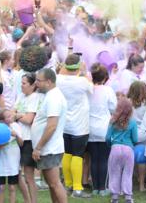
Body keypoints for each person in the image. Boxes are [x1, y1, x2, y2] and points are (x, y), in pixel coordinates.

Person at [57, 54, 93, 198]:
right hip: (80, 126)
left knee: (67, 154)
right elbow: (92, 88)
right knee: (77, 156)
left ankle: (68, 185)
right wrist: (84, 71)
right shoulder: (82, 81)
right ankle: (77, 189)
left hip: (65, 125)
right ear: (78, 66)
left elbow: (60, 72)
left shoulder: (59, 79)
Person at [30, 68, 68, 203]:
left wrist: (39, 147)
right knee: (52, 185)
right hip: (48, 147)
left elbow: (52, 126)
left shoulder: (54, 98)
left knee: (55, 184)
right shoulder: (51, 96)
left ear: (49, 81)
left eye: (39, 81)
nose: (36, 83)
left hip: (50, 148)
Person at [88, 63, 116, 196]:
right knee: (104, 159)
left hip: (90, 128)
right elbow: (114, 108)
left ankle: (95, 188)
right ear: (105, 77)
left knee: (94, 158)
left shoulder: (88, 89)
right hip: (104, 128)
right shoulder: (108, 90)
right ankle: (103, 188)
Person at [14, 72, 42, 203]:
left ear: (32, 85)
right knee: (18, 175)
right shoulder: (20, 96)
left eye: (24, 83)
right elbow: (12, 113)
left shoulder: (35, 97)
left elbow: (29, 119)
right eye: (21, 82)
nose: (21, 85)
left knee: (29, 176)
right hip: (18, 139)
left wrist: (18, 115)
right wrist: (19, 115)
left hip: (29, 140)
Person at [105, 97, 137, 203]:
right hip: (128, 149)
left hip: (115, 148)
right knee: (128, 173)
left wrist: (111, 145)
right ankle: (128, 197)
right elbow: (135, 139)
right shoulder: (132, 122)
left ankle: (115, 197)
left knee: (114, 172)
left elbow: (107, 137)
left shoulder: (113, 120)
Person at [0, 108, 23, 203]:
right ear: (2, 120)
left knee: (12, 187)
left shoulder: (16, 126)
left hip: (13, 162)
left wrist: (16, 135)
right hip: (1, 163)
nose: (12, 117)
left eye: (11, 115)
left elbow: (21, 143)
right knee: (1, 188)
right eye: (8, 116)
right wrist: (5, 140)